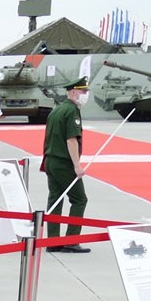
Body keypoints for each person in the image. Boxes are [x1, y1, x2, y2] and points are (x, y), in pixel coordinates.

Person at [41, 78, 91, 252]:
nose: (85, 94)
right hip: (64, 163)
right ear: (73, 91)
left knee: (55, 199)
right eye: (83, 91)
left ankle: (52, 241)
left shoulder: (57, 110)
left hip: (51, 160)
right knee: (79, 200)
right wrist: (77, 165)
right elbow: (71, 140)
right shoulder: (71, 111)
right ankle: (71, 241)